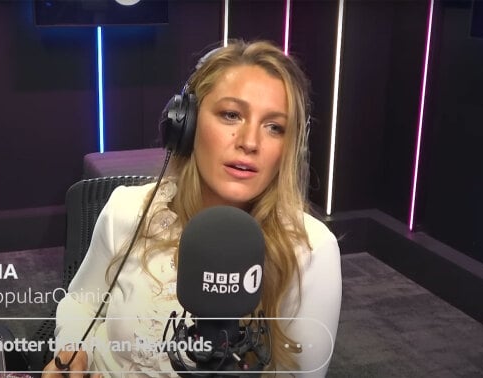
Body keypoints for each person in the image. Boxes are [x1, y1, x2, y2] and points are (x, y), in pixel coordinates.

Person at [43, 40, 342, 377]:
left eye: (274, 127)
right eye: (231, 114)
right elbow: (83, 302)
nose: (250, 142)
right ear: (185, 124)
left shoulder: (310, 250)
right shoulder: (128, 209)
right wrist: (73, 352)